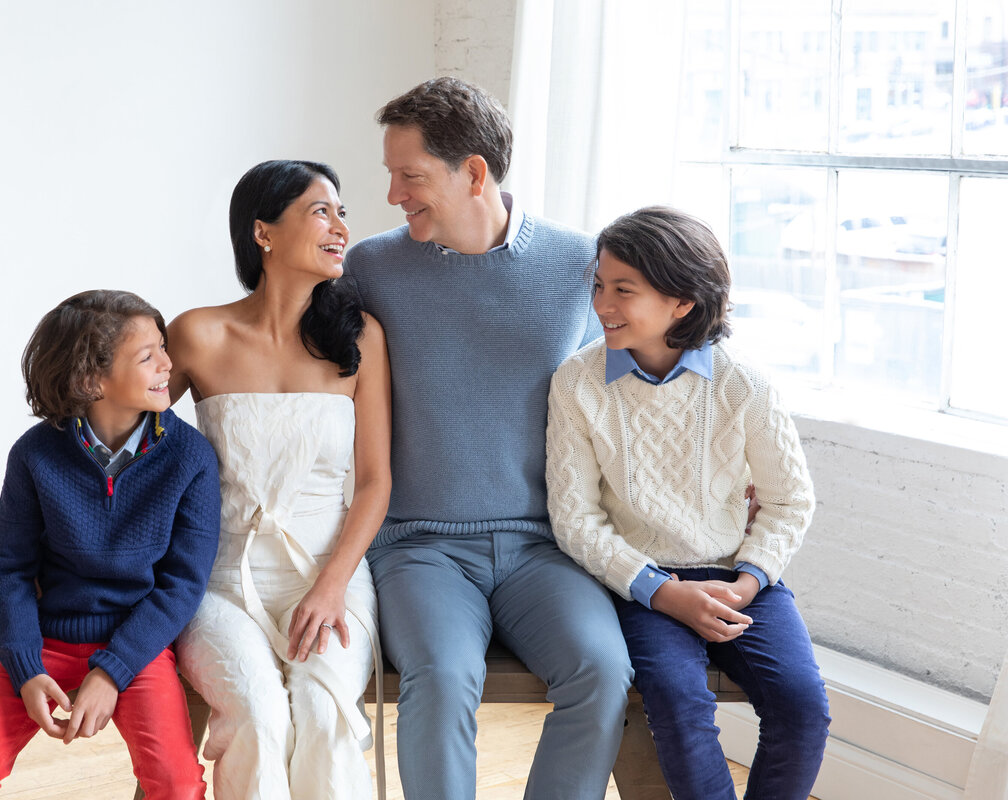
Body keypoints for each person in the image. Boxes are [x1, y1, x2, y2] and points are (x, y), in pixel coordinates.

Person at [342, 76, 633, 800]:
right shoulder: (373, 268)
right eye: (390, 175)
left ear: (473, 172)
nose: (392, 194)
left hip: (547, 545)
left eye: (409, 176)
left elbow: (647, 368)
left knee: (603, 672)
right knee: (442, 678)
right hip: (421, 546)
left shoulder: (579, 264)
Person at [546, 206, 831, 799]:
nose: (602, 304)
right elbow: (576, 519)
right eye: (598, 285)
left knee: (803, 711)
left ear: (684, 301)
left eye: (624, 290)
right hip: (643, 587)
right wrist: (663, 591)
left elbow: (789, 502)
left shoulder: (744, 387)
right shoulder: (576, 381)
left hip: (740, 580)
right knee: (678, 708)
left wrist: (748, 583)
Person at [0, 290, 221, 800]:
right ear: (91, 379)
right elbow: (9, 571)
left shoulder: (190, 457)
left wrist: (113, 671)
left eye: (163, 347)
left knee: (178, 786)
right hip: (43, 643)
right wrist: (24, 668)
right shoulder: (35, 455)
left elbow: (183, 584)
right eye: (148, 354)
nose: (168, 364)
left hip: (139, 646)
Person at [168, 160, 391, 800]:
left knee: (323, 719)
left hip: (331, 574)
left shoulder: (360, 339)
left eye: (342, 212)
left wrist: (331, 587)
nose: (342, 227)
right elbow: (130, 448)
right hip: (219, 579)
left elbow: (375, 482)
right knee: (259, 718)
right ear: (262, 232)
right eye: (322, 211)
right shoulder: (196, 334)